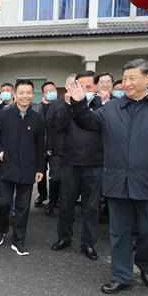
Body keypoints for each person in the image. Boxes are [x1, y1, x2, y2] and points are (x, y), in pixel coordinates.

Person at [66, 59, 148, 294]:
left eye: (133, 78)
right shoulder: (112, 108)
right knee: (119, 232)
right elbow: (88, 122)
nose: (127, 83)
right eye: (124, 79)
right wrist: (79, 103)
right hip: (118, 182)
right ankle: (121, 275)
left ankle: (144, 262)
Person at [0, 79, 46, 256]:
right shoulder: (5, 114)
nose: (25, 96)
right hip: (6, 167)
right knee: (4, 203)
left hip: (28, 169)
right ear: (15, 95)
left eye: (28, 92)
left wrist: (40, 168)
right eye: (22, 92)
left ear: (32, 95)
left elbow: (41, 145)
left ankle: (19, 240)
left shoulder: (38, 118)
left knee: (23, 207)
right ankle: (1, 229)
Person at [51, 72, 104, 260]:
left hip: (95, 164)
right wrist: (68, 104)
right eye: (80, 86)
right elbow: (58, 126)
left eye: (88, 87)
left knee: (91, 207)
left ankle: (88, 243)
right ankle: (64, 237)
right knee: (66, 204)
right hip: (70, 162)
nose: (84, 91)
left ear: (95, 88)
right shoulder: (66, 106)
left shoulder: (103, 106)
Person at [33, 81, 61, 214]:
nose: (51, 92)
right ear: (43, 93)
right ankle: (42, 195)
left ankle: (54, 201)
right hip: (41, 147)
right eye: (48, 90)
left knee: (56, 176)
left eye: (53, 89)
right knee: (41, 174)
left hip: (57, 147)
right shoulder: (37, 108)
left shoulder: (61, 106)